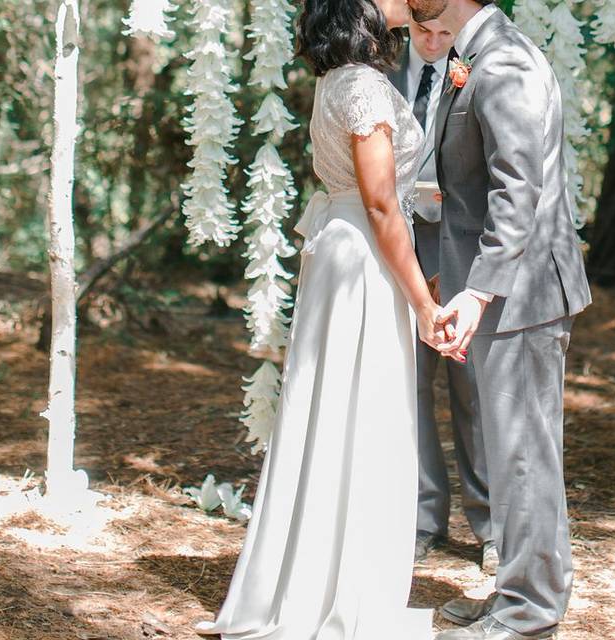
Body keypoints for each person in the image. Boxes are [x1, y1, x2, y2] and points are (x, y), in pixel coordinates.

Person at [193, 0, 442, 636]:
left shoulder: (337, 80)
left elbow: (377, 193)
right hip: (364, 258)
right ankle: (344, 593)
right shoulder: (363, 87)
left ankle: (312, 577)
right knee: (361, 411)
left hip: (342, 247)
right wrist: (423, 301)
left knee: (333, 411)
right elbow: (383, 205)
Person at [405, 0, 594, 637]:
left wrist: (478, 291)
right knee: (511, 452)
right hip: (504, 290)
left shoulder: (505, 60)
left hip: (523, 294)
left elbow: (518, 191)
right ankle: (515, 593)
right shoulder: (478, 53)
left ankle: (530, 613)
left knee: (524, 458)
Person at [387, 19, 496, 571]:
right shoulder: (381, 73)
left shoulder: (477, 72)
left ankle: (490, 526)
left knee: (471, 386)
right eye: (422, 30)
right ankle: (422, 518)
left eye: (442, 30)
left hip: (461, 247)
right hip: (401, 249)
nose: (433, 41)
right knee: (411, 391)